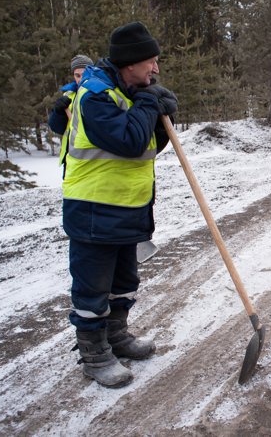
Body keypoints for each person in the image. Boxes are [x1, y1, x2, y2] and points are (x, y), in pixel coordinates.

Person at [48, 21, 178, 388]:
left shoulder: (129, 92)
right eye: (150, 61)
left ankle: (117, 336)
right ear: (129, 63)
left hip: (128, 208)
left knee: (124, 281)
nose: (156, 69)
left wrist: (162, 114)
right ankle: (93, 353)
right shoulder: (95, 97)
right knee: (92, 288)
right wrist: (148, 103)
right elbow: (130, 141)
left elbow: (149, 145)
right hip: (93, 210)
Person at [49, 55, 94, 169]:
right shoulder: (69, 95)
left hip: (91, 158)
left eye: (84, 75)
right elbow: (57, 128)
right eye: (77, 75)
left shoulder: (98, 94)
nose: (80, 79)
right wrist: (58, 111)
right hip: (71, 158)